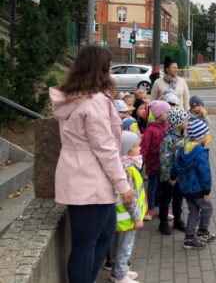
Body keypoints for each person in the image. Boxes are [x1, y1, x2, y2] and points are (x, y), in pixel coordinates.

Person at [49, 46, 135, 283]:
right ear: (101, 69)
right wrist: (123, 186)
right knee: (86, 244)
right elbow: (105, 148)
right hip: (91, 181)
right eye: (109, 67)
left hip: (79, 177)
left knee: (100, 237)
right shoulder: (94, 101)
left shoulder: (73, 98)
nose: (111, 72)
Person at [110, 131, 146, 283]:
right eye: (137, 146)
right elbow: (130, 199)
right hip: (128, 218)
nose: (140, 148)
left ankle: (117, 271)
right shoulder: (127, 170)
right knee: (125, 247)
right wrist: (137, 218)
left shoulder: (120, 166)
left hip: (119, 217)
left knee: (116, 245)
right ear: (128, 150)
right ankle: (121, 276)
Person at [174, 120, 215, 250]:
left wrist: (172, 176)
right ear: (201, 136)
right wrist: (207, 191)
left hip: (185, 188)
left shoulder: (183, 148)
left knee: (194, 211)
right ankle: (202, 232)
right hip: (197, 189)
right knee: (207, 208)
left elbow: (175, 164)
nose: (208, 136)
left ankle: (189, 238)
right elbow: (205, 173)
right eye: (206, 133)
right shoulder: (200, 152)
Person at [158, 108, 188, 235]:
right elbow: (164, 159)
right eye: (185, 120)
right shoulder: (168, 139)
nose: (188, 122)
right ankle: (163, 222)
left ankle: (177, 220)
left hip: (180, 175)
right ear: (178, 123)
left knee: (178, 199)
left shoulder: (184, 136)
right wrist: (169, 177)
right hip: (169, 176)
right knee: (166, 199)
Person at [140, 100, 170, 222]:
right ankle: (150, 208)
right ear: (158, 114)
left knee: (165, 188)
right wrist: (141, 160)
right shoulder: (150, 130)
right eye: (166, 112)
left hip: (166, 164)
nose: (168, 114)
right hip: (153, 163)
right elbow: (145, 146)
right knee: (152, 187)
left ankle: (166, 209)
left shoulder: (168, 126)